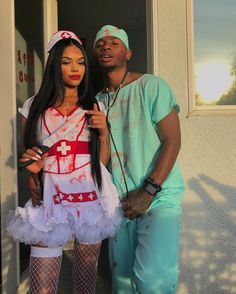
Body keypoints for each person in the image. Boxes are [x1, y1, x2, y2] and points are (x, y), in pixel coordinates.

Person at [6, 30, 121, 294]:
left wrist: (103, 134)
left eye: (80, 62)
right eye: (66, 61)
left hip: (89, 198)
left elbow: (100, 164)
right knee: (41, 288)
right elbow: (31, 155)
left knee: (85, 285)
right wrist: (31, 175)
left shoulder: (93, 106)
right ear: (54, 64)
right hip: (50, 196)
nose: (75, 69)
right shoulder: (33, 106)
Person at [93, 25, 185, 294]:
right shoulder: (98, 101)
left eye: (114, 43)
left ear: (128, 52)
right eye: (100, 44)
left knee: (151, 281)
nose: (106, 47)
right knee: (122, 284)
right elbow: (103, 158)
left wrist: (148, 190)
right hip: (121, 204)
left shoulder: (151, 86)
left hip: (158, 197)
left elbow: (173, 141)